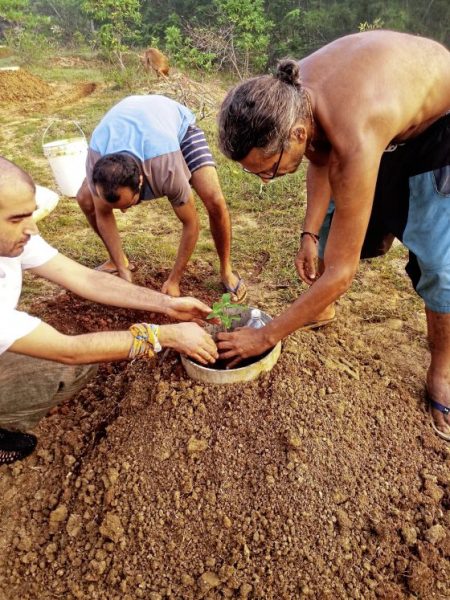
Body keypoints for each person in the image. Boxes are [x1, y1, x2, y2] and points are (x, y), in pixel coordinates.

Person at [217, 30, 450, 441]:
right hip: (383, 117)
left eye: (268, 169)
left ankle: (442, 370)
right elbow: (320, 158)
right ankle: (319, 310)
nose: (267, 182)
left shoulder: (355, 129)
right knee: (327, 229)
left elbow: (342, 273)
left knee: (438, 262)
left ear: (298, 135)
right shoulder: (289, 93)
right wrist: (309, 232)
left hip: (437, 132)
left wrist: (265, 336)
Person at [0, 157, 218, 465]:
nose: (31, 228)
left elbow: (85, 278)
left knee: (83, 363)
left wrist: (166, 304)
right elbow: (70, 350)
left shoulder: (13, 240)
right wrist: (166, 335)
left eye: (30, 215)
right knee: (62, 367)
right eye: (16, 219)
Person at [76, 94, 247, 302]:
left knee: (214, 199)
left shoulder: (166, 168)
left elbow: (191, 224)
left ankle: (226, 269)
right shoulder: (96, 161)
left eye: (128, 204)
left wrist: (174, 280)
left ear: (141, 180)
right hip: (122, 125)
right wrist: (123, 272)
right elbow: (103, 214)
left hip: (176, 128)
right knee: (85, 200)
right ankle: (117, 261)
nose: (123, 212)